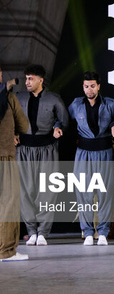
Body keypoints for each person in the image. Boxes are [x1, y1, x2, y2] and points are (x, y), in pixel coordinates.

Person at [67, 71, 114, 246]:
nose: (89, 89)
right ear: (83, 87)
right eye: (86, 86)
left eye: (92, 86)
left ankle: (103, 233)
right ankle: (88, 232)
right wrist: (56, 126)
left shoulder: (110, 104)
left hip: (104, 150)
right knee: (84, 192)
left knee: (104, 192)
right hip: (83, 152)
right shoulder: (76, 104)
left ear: (98, 86)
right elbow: (63, 120)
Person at [15, 64, 68, 246]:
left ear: (40, 80)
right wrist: (12, 133)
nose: (27, 82)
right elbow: (9, 119)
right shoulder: (18, 97)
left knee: (47, 191)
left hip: (47, 149)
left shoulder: (54, 99)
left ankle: (43, 232)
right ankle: (31, 231)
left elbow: (63, 120)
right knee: (26, 191)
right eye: (26, 78)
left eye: (31, 78)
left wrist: (57, 127)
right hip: (24, 149)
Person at [0, 65, 30, 261]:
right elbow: (24, 125)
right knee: (8, 203)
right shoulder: (7, 97)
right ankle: (6, 251)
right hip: (4, 155)